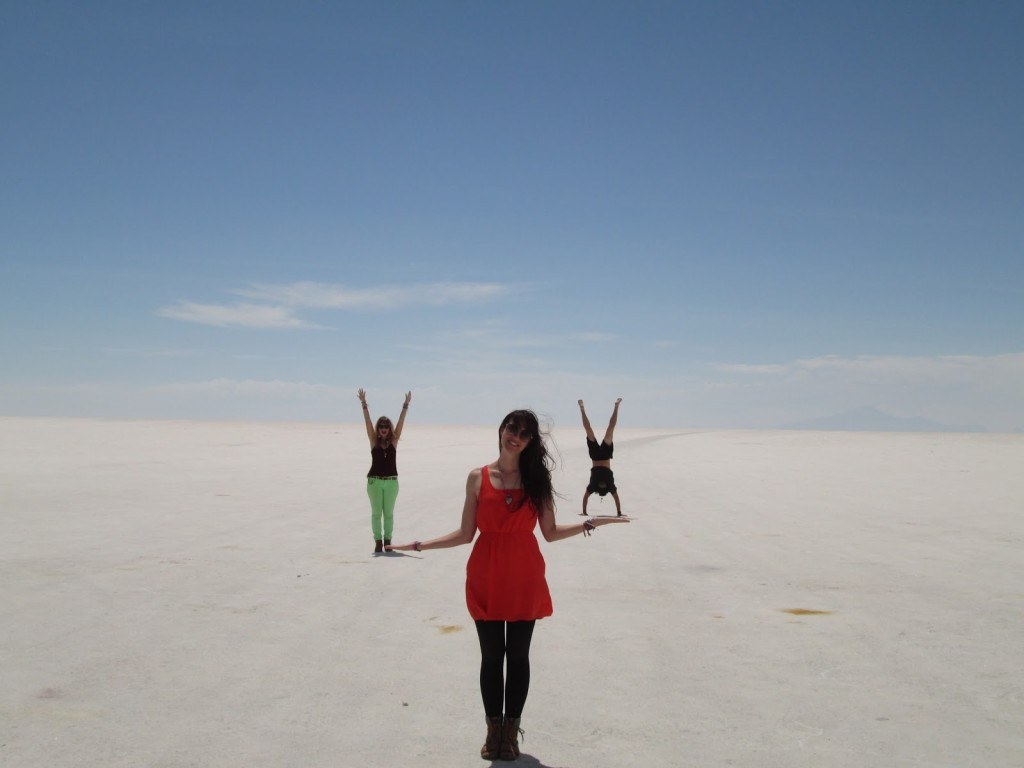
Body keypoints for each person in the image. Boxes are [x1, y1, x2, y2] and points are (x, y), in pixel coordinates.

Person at [387, 409, 629, 761]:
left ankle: (510, 734)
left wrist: (591, 523)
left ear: (530, 442)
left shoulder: (536, 479)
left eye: (523, 433)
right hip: (485, 575)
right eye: (511, 428)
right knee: (490, 657)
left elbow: (549, 533)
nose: (514, 435)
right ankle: (493, 731)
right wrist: (422, 544)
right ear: (501, 430)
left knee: (517, 657)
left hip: (524, 577)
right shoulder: (477, 477)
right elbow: (465, 533)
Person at [358, 388, 412, 553]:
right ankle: (377, 541)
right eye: (380, 426)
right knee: (376, 513)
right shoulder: (373, 441)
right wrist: (364, 405)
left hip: (391, 483)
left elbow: (401, 425)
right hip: (374, 482)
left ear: (389, 428)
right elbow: (368, 425)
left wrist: (405, 406)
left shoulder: (394, 441)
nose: (383, 428)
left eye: (386, 426)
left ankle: (387, 541)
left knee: (388, 514)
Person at [579, 398, 623, 516]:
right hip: (599, 456)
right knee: (607, 429)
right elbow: (586, 498)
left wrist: (584, 512)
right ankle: (615, 407)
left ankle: (616, 406)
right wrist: (618, 512)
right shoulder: (599, 486)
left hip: (601, 455)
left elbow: (585, 498)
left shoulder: (603, 486)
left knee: (606, 429)